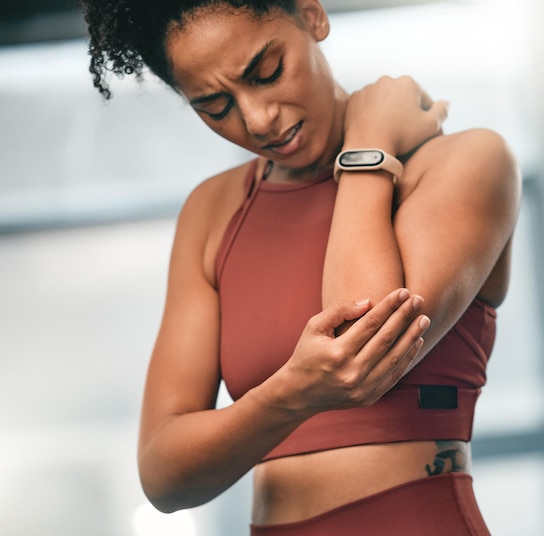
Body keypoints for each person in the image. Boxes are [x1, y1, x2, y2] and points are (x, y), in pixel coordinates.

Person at [81, 0, 521, 533]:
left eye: (267, 72)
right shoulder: (213, 211)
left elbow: (365, 348)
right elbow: (165, 475)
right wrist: (293, 392)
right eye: (216, 106)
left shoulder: (466, 162)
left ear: (311, 15)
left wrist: (367, 147)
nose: (258, 119)